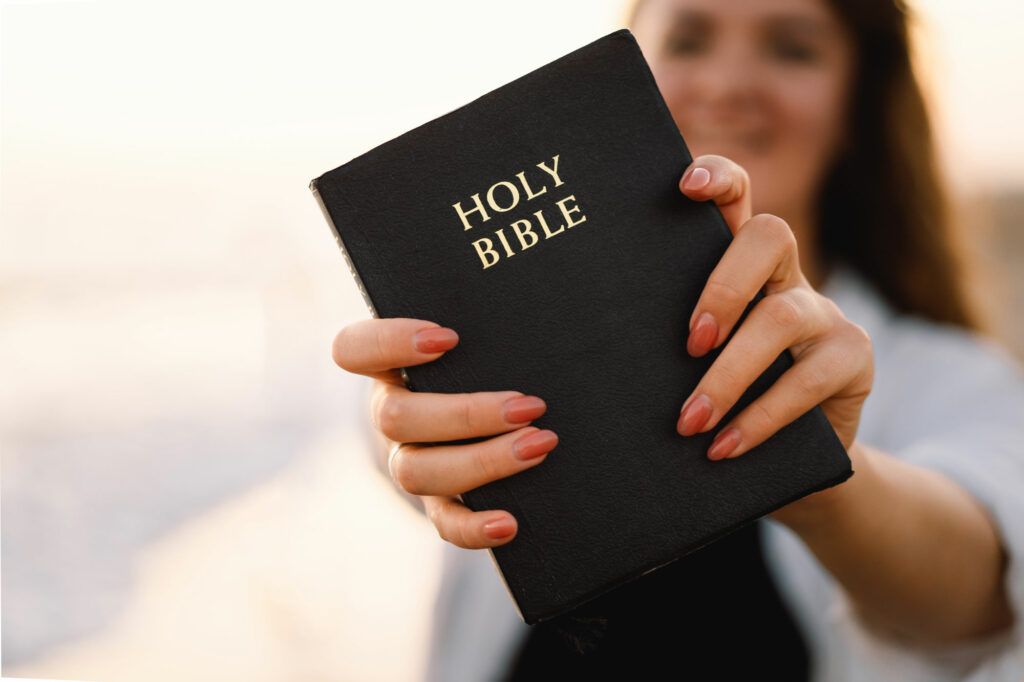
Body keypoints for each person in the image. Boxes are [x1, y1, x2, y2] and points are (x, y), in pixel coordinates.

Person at [332, 0, 1024, 679]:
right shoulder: (524, 320)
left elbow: (983, 593)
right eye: (689, 41)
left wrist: (815, 470)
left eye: (793, 49)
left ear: (857, 107)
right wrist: (408, 422)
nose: (725, 86)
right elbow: (401, 451)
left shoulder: (957, 376)